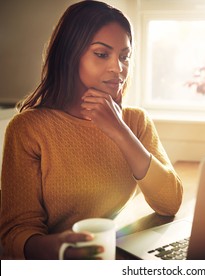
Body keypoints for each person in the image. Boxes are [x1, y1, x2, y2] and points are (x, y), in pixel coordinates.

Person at [0, 1, 183, 260]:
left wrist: (120, 131)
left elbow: (170, 203)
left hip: (116, 255)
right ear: (69, 55)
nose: (118, 68)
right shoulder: (28, 130)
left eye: (124, 56)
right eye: (101, 54)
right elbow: (16, 233)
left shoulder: (136, 121)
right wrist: (61, 248)